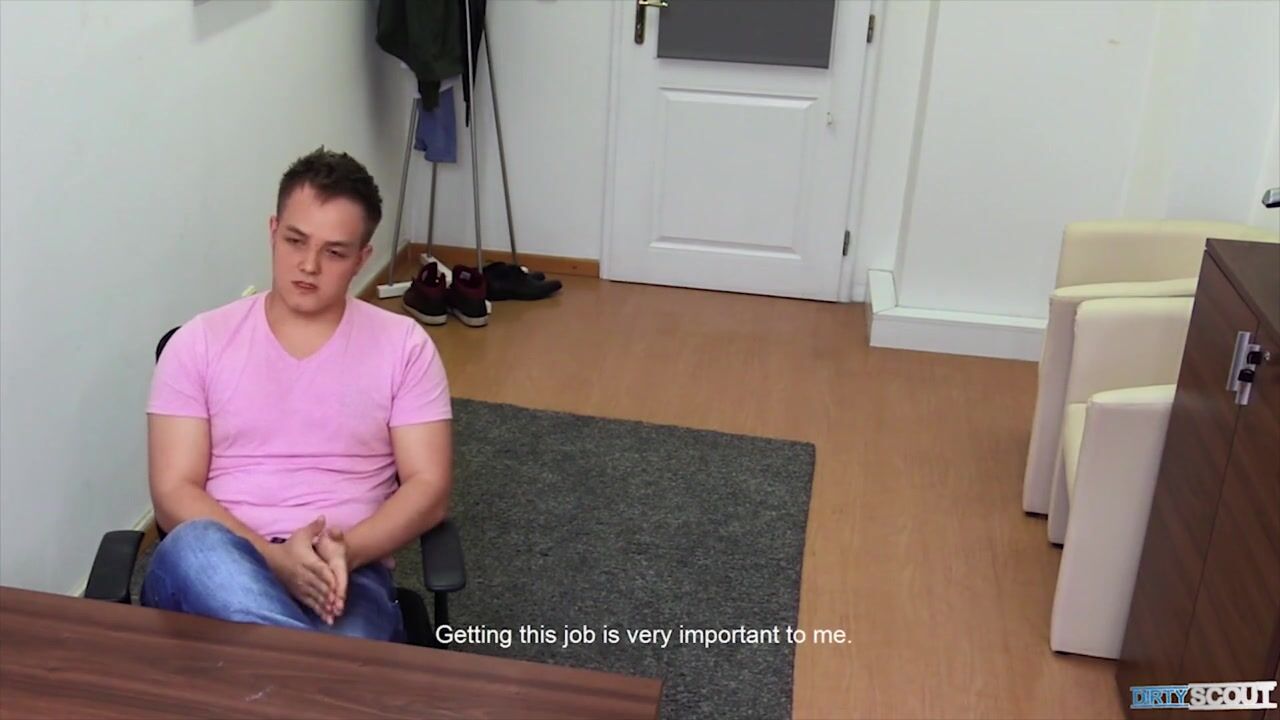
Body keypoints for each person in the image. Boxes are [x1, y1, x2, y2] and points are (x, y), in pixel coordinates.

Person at [140, 148, 453, 642]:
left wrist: (346, 552)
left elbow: (428, 487)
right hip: (220, 563)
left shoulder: (405, 348)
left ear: (362, 258)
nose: (308, 265)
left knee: (336, 646)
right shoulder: (198, 343)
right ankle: (315, 672)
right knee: (193, 545)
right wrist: (273, 559)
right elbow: (173, 492)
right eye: (295, 241)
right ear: (273, 231)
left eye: (334, 252)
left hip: (343, 570)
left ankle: (287, 672)